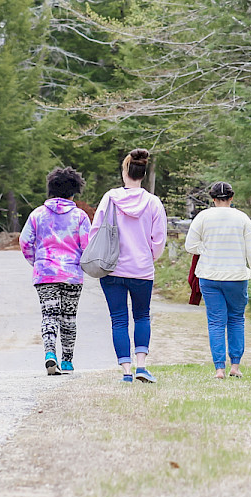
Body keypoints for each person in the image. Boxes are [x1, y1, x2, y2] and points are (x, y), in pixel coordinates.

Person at [89, 148, 167, 383]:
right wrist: (147, 256)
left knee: (118, 319)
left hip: (112, 269)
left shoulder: (110, 198)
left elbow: (95, 231)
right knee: (142, 316)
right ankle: (142, 366)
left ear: (125, 171)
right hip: (142, 270)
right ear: (142, 174)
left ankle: (126, 371)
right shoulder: (153, 202)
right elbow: (159, 240)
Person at [184, 182, 251, 379]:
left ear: (213, 199)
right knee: (236, 319)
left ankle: (219, 369)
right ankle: (235, 366)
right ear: (231, 199)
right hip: (236, 278)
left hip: (209, 276)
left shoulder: (203, 217)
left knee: (215, 322)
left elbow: (190, 245)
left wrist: (207, 250)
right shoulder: (242, 218)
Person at [20, 167, 93, 375]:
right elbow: (87, 246)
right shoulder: (80, 217)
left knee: (49, 315)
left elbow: (25, 242)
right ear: (74, 192)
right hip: (72, 275)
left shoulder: (37, 215)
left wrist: (37, 262)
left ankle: (50, 354)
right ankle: (67, 360)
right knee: (69, 317)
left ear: (50, 190)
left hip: (45, 273)